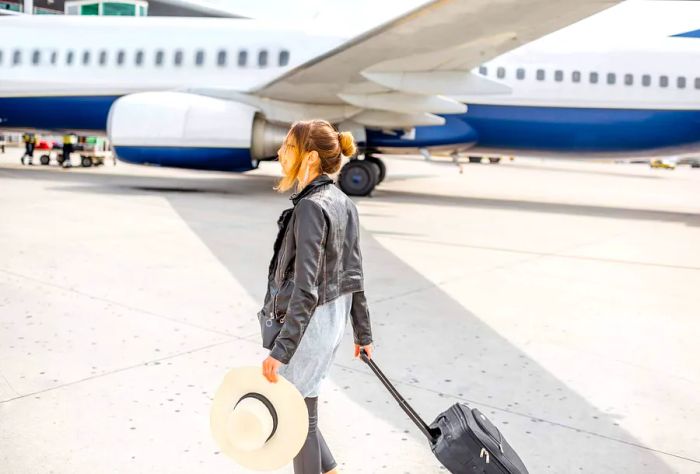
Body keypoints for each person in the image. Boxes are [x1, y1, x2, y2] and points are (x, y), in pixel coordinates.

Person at [260, 120, 374, 474]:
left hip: (309, 326)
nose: (280, 153)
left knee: (297, 419)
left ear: (309, 158)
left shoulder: (311, 207)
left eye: (287, 147)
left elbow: (305, 288)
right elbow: (354, 274)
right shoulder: (342, 202)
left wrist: (282, 351)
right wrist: (363, 333)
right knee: (302, 410)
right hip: (331, 322)